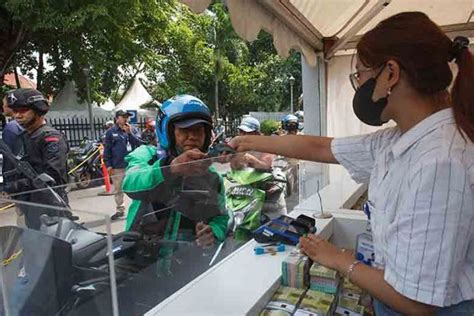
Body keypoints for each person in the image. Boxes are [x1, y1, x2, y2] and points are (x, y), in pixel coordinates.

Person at [229, 12, 474, 315]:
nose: (358, 85)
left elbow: (416, 302)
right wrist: (249, 142)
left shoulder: (441, 161)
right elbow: (322, 147)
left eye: (359, 74)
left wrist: (340, 259)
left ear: (391, 74)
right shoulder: (399, 139)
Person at [121, 94, 229, 255]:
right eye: (184, 130)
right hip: (141, 254)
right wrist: (170, 168)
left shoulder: (212, 176)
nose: (192, 136)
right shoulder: (147, 155)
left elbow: (220, 217)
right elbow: (130, 182)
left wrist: (212, 231)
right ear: (168, 132)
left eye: (198, 131)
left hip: (187, 258)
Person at [4, 89, 71, 230]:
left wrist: (17, 186)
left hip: (50, 208)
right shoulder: (23, 136)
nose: (17, 115)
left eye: (23, 110)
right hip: (29, 206)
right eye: (15, 111)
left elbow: (53, 178)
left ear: (38, 110)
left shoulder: (51, 138)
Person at [104, 110, 142, 220]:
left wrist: (130, 133)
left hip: (131, 164)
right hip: (117, 166)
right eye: (123, 117)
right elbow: (107, 149)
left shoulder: (132, 129)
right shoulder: (111, 132)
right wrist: (108, 164)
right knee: (119, 189)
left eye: (127, 117)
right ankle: (120, 210)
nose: (126, 119)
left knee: (135, 187)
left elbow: (139, 143)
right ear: (117, 118)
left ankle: (138, 209)